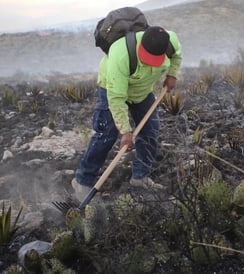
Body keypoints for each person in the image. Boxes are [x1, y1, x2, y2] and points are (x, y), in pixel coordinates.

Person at [71, 26, 182, 200]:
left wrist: (172, 75)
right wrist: (125, 131)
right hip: (112, 88)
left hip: (142, 91)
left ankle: (140, 177)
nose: (150, 63)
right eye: (147, 58)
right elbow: (116, 98)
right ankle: (83, 181)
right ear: (141, 46)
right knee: (106, 133)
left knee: (150, 130)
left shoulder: (170, 41)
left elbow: (177, 54)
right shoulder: (121, 55)